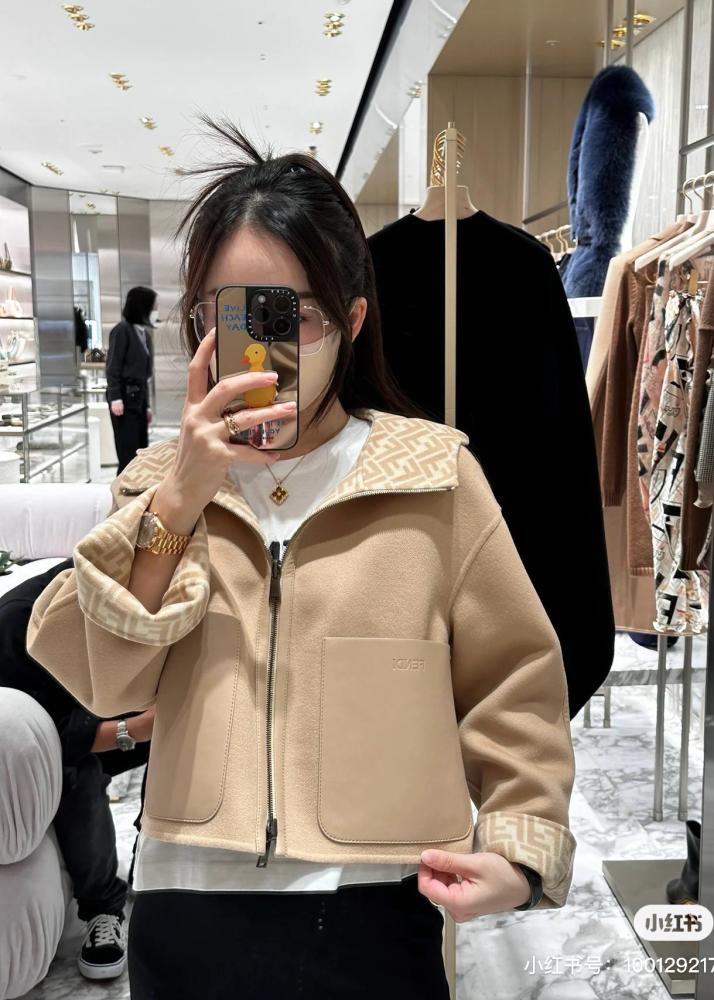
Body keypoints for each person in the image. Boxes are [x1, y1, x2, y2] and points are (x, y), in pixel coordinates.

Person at [26, 117, 576, 1000]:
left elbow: (517, 683)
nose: (259, 347)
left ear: (350, 321)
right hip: (185, 903)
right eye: (228, 314)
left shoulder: (434, 479)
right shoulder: (161, 488)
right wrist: (181, 498)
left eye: (288, 316)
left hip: (376, 908)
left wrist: (520, 846)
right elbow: (108, 682)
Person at [0, 558, 152, 981]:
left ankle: (154, 851)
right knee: (77, 772)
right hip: (43, 738)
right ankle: (103, 909)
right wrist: (137, 728)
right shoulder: (19, 625)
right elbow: (50, 736)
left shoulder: (149, 601)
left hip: (97, 708)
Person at [106, 286, 157, 473]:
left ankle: (137, 484)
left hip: (139, 398)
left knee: (140, 449)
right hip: (125, 399)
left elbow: (145, 375)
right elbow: (113, 366)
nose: (154, 310)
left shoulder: (144, 334)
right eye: (153, 306)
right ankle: (123, 486)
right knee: (127, 450)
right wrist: (115, 397)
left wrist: (147, 405)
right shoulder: (122, 331)